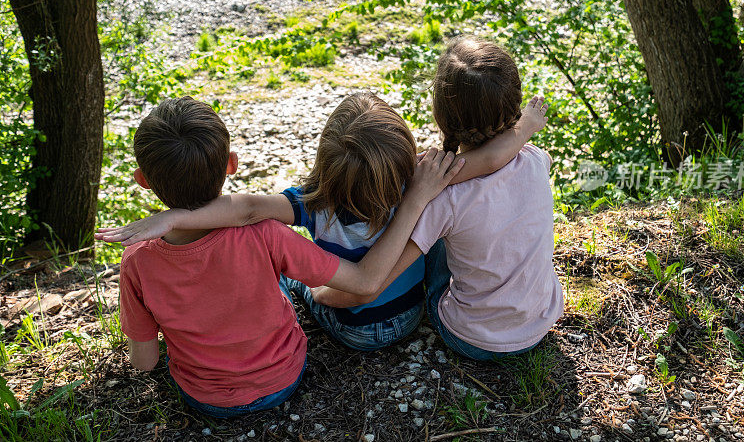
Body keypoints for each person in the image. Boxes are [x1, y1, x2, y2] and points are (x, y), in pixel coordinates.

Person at [99, 91, 546, 352]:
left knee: (284, 270)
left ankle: (290, 303)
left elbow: (247, 209)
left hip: (352, 329)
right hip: (410, 317)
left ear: (326, 161)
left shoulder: (312, 201)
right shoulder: (415, 177)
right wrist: (524, 128)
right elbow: (488, 160)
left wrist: (176, 215)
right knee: (442, 234)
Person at [99, 96, 462, 417]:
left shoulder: (137, 262)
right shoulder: (269, 235)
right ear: (231, 164)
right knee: (289, 272)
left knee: (287, 277)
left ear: (142, 180)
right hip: (292, 373)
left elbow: (144, 363)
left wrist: (173, 219)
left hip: (205, 397)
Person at [314, 37, 562, 361]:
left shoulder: (442, 198)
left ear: (442, 114)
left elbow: (375, 281)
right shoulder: (536, 159)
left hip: (472, 339)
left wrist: (320, 294)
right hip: (541, 321)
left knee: (427, 230)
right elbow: (496, 162)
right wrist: (524, 129)